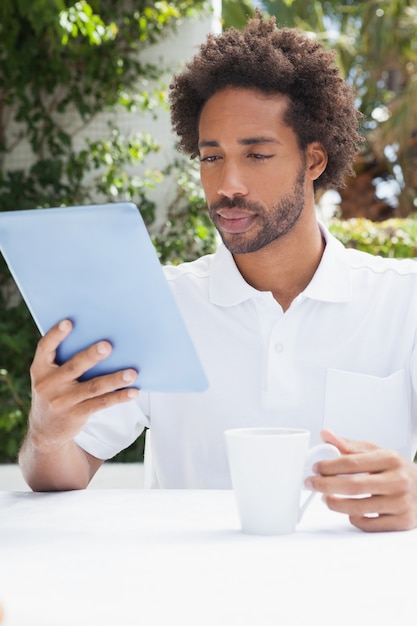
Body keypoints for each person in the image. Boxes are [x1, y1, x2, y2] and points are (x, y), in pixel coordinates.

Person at [19, 13, 417, 532]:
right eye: (211, 157)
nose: (227, 184)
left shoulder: (403, 300)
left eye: (257, 154)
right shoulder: (159, 302)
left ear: (313, 160)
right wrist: (47, 433)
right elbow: (62, 474)